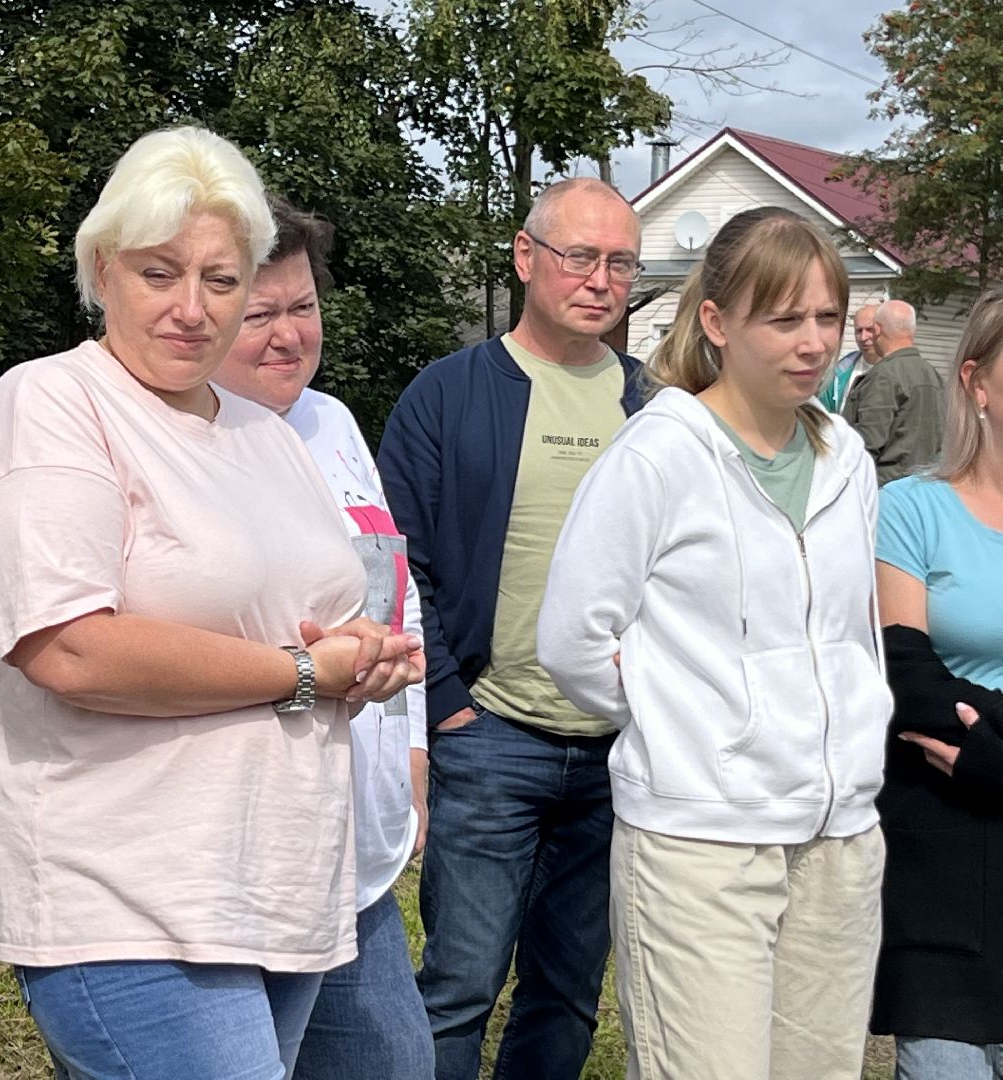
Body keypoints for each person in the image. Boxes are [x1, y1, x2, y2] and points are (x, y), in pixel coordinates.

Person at [0, 126, 423, 1080]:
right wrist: (306, 672)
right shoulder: (51, 403)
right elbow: (70, 649)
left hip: (279, 889)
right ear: (102, 268)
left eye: (220, 279)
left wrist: (364, 659)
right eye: (159, 273)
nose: (192, 308)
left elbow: (306, 613)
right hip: (132, 901)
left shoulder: (264, 432)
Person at [538, 206, 892, 1080]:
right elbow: (572, 639)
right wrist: (689, 721)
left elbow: (853, 634)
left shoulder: (849, 458)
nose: (813, 342)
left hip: (839, 842)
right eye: (784, 318)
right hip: (700, 846)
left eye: (828, 317)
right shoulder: (659, 454)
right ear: (717, 322)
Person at [377, 177, 647, 1080]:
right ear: (527, 257)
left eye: (620, 263)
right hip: (491, 734)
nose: (600, 281)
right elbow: (399, 561)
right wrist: (448, 702)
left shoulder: (657, 407)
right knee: (459, 983)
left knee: (568, 991)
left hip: (619, 748)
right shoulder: (448, 394)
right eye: (580, 256)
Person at [210, 196, 433, 1080]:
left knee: (395, 1063)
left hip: (354, 859)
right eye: (258, 314)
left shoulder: (332, 422)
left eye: (302, 307)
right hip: (237, 859)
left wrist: (410, 758)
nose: (288, 336)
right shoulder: (166, 436)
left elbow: (394, 599)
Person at [869, 287, 1003, 1078]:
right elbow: (909, 682)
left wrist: (995, 754)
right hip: (941, 857)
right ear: (976, 381)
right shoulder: (910, 508)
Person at [843, 299, 944, 483]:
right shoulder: (933, 375)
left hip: (885, 487)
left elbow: (867, 442)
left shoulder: (884, 376)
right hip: (926, 486)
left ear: (877, 330)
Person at [818, 302, 879, 412]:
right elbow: (824, 413)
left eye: (870, 330)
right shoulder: (840, 371)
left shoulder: (900, 370)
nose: (863, 337)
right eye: (859, 331)